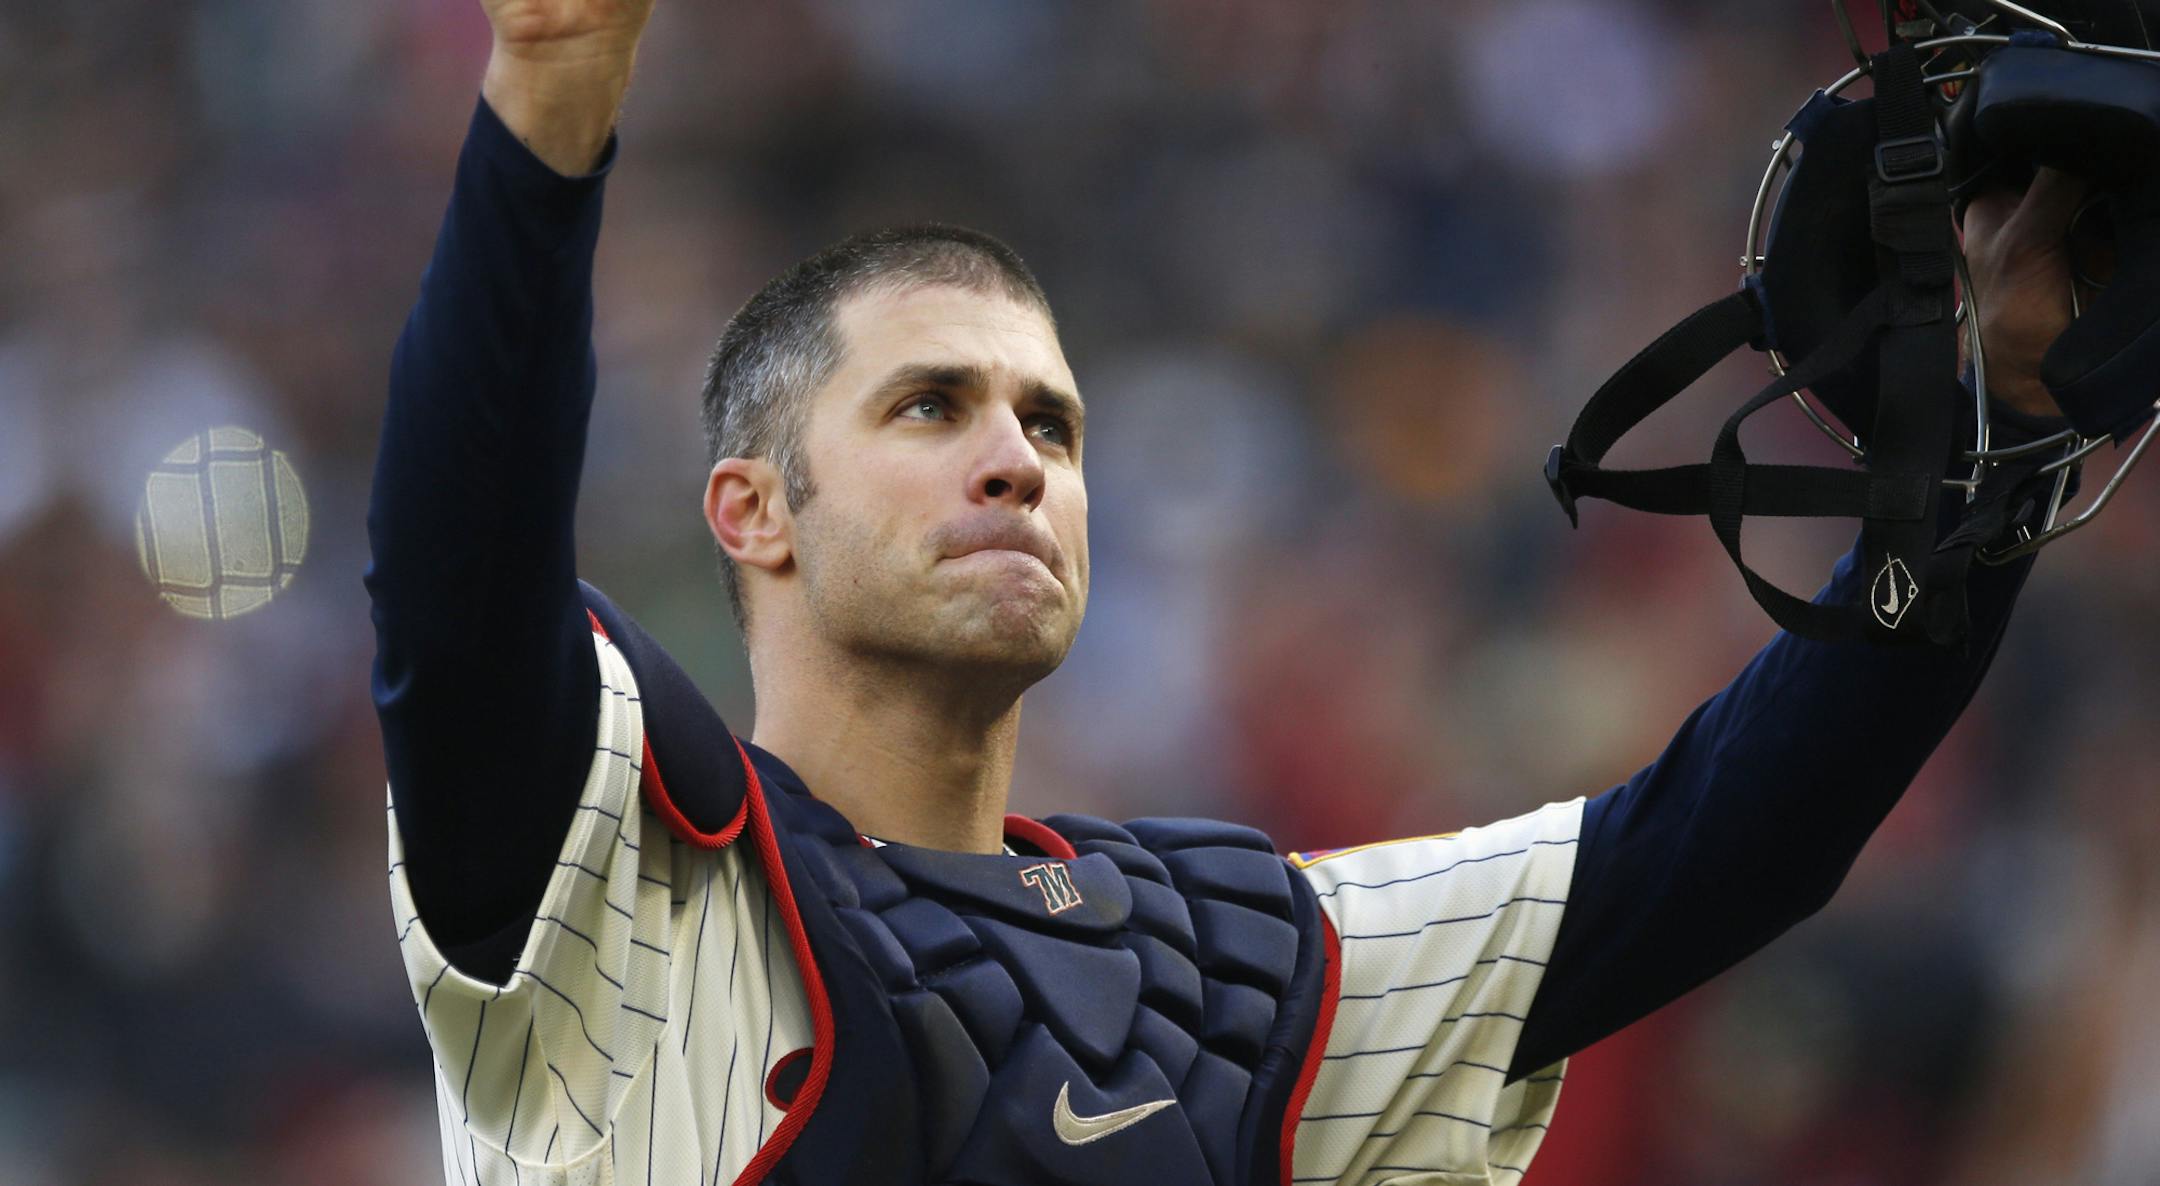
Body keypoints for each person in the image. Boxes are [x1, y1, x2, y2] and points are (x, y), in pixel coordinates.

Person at [366, 2, 2089, 1183]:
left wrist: (1992, 448)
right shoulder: (625, 899)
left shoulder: (1230, 963)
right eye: (927, 406)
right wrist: (550, 106)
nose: (1015, 458)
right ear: (751, 511)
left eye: (1051, 420)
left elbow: (1715, 849)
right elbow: (457, 595)